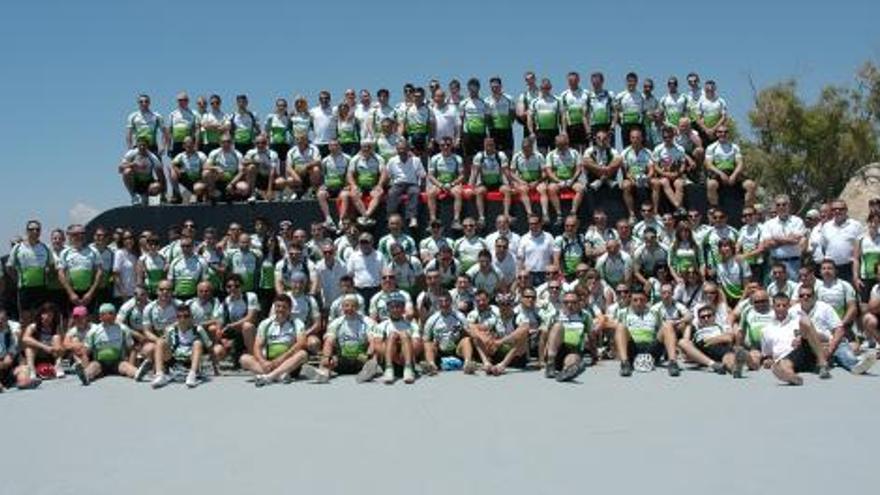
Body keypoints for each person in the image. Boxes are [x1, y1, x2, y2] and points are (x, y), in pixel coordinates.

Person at [793, 285, 876, 375]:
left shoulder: (824, 308)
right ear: (798, 297)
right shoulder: (793, 311)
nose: (805, 297)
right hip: (808, 345)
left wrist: (830, 349)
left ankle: (856, 365)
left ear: (814, 296)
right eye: (802, 295)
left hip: (830, 342)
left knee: (842, 350)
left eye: (808, 295)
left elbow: (839, 330)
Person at [760, 293, 831, 385]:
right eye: (778, 305)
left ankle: (823, 364)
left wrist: (801, 336)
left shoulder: (797, 320)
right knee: (781, 364)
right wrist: (768, 361)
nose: (781, 308)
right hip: (786, 359)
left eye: (784, 305)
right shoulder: (766, 330)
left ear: (789, 306)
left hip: (804, 351)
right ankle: (792, 377)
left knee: (805, 320)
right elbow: (768, 354)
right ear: (773, 307)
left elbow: (824, 337)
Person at [614, 288, 681, 377]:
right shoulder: (623, 313)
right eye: (635, 300)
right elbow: (616, 331)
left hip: (651, 347)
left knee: (667, 325)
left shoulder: (654, 312)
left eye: (642, 300)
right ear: (630, 300)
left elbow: (663, 331)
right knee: (620, 327)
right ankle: (625, 363)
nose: (638, 303)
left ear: (646, 301)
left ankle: (673, 362)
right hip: (633, 347)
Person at [317, 295, 384, 383]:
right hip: (342, 359)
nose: (349, 308)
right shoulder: (336, 323)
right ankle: (324, 373)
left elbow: (372, 342)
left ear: (358, 307)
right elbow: (329, 341)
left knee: (373, 359)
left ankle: (367, 372)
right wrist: (326, 357)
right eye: (346, 305)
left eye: (353, 306)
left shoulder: (367, 322)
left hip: (361, 358)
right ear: (342, 307)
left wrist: (367, 355)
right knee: (329, 359)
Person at [72, 304, 139, 385]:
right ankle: (86, 375)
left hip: (117, 362)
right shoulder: (94, 331)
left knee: (126, 367)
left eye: (112, 313)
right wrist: (86, 367)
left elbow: (132, 349)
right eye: (105, 314)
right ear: (100, 316)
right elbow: (86, 352)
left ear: (115, 315)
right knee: (93, 366)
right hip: (100, 363)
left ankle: (137, 373)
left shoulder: (123, 329)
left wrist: (130, 365)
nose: (109, 316)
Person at [147, 304, 211, 389]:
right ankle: (160, 375)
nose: (183, 319)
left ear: (191, 317)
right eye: (179, 316)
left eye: (186, 316)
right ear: (176, 318)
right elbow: (164, 349)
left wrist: (216, 369)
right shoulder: (170, 330)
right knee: (160, 342)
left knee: (198, 343)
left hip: (190, 360)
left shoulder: (198, 329)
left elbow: (210, 347)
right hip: (174, 361)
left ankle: (192, 375)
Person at [678, 305, 747, 377]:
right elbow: (685, 343)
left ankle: (735, 369)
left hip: (720, 349)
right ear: (699, 319)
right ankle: (713, 364)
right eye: (703, 317)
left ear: (714, 317)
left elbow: (728, 338)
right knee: (682, 342)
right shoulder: (696, 330)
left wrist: (708, 341)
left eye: (709, 316)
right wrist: (689, 324)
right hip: (701, 351)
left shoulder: (721, 327)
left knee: (728, 357)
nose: (706, 318)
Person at [7, 220, 52, 325]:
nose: (35, 231)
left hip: (41, 288)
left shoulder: (45, 248)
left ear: (40, 232)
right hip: (24, 289)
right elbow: (9, 267)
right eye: (31, 229)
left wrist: (47, 276)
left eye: (37, 229)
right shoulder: (18, 248)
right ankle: (25, 341)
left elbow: (51, 266)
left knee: (40, 319)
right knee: (25, 320)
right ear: (27, 231)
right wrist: (17, 279)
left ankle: (38, 341)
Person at [421, 291, 476, 375]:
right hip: (439, 350)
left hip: (456, 349)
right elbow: (425, 339)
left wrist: (468, 332)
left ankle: (467, 364)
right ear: (437, 303)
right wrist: (433, 345)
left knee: (466, 340)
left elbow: (468, 333)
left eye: (446, 301)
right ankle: (432, 366)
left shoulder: (459, 316)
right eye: (441, 302)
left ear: (451, 302)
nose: (444, 304)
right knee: (428, 344)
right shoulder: (432, 320)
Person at [543, 291, 593, 382]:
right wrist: (541, 360)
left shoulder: (585, 316)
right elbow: (544, 335)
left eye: (573, 302)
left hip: (573, 349)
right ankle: (550, 364)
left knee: (573, 358)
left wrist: (595, 357)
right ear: (562, 303)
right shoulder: (555, 315)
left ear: (579, 303)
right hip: (556, 349)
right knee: (558, 326)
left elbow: (591, 336)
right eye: (566, 302)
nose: (570, 305)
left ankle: (567, 371)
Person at [705, 126, 757, 207]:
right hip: (718, 173)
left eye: (725, 132)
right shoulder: (711, 147)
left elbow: (740, 164)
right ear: (716, 134)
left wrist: (734, 175)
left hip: (733, 173)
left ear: (728, 134)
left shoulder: (735, 147)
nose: (723, 134)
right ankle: (715, 208)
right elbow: (709, 165)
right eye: (720, 132)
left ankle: (747, 209)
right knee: (711, 185)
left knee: (751, 185)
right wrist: (721, 174)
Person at [58, 224, 104, 314]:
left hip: (89, 293)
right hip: (72, 293)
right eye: (76, 234)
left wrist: (90, 293)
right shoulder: (65, 252)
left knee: (90, 319)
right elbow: (61, 274)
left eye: (82, 233)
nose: (80, 236)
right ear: (70, 236)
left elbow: (100, 272)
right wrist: (71, 293)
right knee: (72, 320)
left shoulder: (94, 251)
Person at [761, 194, 806, 280]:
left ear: (789, 206)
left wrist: (775, 238)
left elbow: (796, 240)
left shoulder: (797, 221)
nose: (781, 207)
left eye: (784, 204)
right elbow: (767, 244)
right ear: (775, 207)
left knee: (793, 291)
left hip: (794, 263)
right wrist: (789, 239)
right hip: (775, 264)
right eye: (778, 205)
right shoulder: (769, 224)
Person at [375, 294, 419, 384]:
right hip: (390, 359)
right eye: (392, 307)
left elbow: (417, 345)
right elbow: (377, 345)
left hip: (406, 358)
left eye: (398, 306)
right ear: (388, 309)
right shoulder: (381, 325)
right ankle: (389, 369)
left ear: (403, 308)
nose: (395, 310)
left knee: (404, 335)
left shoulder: (412, 325)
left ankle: (408, 369)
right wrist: (393, 356)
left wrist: (403, 355)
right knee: (392, 336)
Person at [819, 199, 863, 285]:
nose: (837, 211)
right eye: (834, 209)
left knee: (850, 295)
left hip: (849, 268)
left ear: (846, 210)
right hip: (831, 269)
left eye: (840, 209)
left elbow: (860, 248)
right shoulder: (826, 227)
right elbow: (824, 248)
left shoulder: (856, 225)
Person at [544, 133, 584, 224]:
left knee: (580, 189)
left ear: (567, 143)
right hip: (557, 180)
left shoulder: (574, 153)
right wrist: (558, 181)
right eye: (559, 145)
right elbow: (549, 171)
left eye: (563, 145)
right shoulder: (551, 154)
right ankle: (559, 214)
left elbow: (579, 169)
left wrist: (572, 180)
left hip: (572, 180)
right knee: (551, 188)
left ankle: (573, 212)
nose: (561, 147)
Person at [426, 136, 466, 229]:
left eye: (448, 145)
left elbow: (462, 175)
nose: (445, 147)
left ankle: (456, 220)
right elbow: (430, 175)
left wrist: (452, 184)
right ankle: (432, 219)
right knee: (431, 192)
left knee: (458, 192)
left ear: (452, 145)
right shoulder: (435, 158)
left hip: (453, 184)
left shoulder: (457, 158)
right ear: (439, 147)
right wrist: (440, 185)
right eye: (442, 145)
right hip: (439, 184)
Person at [384, 141, 425, 228]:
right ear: (397, 150)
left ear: (408, 149)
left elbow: (422, 174)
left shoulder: (416, 160)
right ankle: (390, 218)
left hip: (412, 184)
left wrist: (422, 185)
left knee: (414, 192)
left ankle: (412, 218)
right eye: (399, 149)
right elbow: (387, 175)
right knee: (392, 193)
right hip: (398, 183)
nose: (402, 151)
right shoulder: (392, 161)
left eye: (404, 149)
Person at [470, 137, 509, 226]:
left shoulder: (500, 155)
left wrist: (511, 184)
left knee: (507, 190)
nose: (489, 147)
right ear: (484, 145)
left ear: (494, 145)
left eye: (491, 145)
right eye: (487, 145)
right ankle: (481, 217)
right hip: (485, 183)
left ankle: (506, 214)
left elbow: (506, 171)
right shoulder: (479, 156)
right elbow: (475, 172)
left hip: (498, 183)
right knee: (479, 192)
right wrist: (471, 186)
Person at [346, 140, 386, 227]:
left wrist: (379, 185)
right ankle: (366, 216)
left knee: (379, 193)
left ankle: (365, 216)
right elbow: (349, 174)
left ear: (372, 148)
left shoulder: (379, 159)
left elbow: (383, 173)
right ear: (361, 148)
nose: (366, 149)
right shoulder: (355, 159)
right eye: (364, 147)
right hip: (360, 186)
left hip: (373, 186)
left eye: (368, 147)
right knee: (353, 194)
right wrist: (353, 185)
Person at [651, 126, 692, 210]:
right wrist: (666, 174)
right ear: (662, 137)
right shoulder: (658, 149)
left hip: (676, 174)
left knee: (679, 184)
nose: (667, 139)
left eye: (669, 137)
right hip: (663, 175)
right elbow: (655, 166)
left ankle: (678, 208)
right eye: (665, 137)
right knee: (665, 182)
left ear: (673, 136)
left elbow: (683, 164)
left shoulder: (680, 149)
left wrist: (678, 173)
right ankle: (679, 207)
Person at [507, 137, 548, 220]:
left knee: (543, 189)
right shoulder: (517, 156)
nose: (526, 151)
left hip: (537, 181)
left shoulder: (539, 156)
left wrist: (537, 182)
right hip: (523, 181)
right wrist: (520, 181)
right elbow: (511, 172)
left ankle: (545, 214)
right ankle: (529, 213)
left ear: (531, 147)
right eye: (524, 148)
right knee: (523, 190)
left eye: (527, 148)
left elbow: (545, 173)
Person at [21, 303, 64, 380]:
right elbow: (25, 338)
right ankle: (32, 370)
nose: (47, 317)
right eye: (44, 314)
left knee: (56, 337)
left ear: (53, 316)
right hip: (38, 354)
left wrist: (53, 348)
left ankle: (58, 366)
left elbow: (61, 345)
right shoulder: (33, 326)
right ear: (40, 315)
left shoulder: (56, 327)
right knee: (29, 346)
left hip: (52, 354)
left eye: (50, 315)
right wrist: (44, 347)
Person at [619, 128, 655, 220]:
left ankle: (655, 212)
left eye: (638, 138)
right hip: (632, 178)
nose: (635, 140)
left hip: (645, 177)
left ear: (642, 138)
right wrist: (632, 180)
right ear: (630, 139)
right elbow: (625, 172)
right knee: (625, 185)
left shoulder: (648, 152)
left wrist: (647, 178)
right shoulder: (625, 153)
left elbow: (651, 169)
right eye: (633, 138)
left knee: (657, 183)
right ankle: (631, 214)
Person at [316, 139, 352, 230]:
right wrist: (322, 185)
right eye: (331, 145)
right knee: (320, 194)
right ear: (328, 147)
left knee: (345, 195)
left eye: (336, 145)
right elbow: (323, 174)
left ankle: (341, 220)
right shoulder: (325, 160)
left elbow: (351, 174)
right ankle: (328, 219)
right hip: (329, 187)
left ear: (340, 146)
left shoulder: (347, 158)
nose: (333, 147)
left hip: (342, 187)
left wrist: (348, 185)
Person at [119, 138, 165, 204]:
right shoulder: (131, 154)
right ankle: (133, 196)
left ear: (147, 146)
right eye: (140, 145)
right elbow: (120, 169)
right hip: (136, 182)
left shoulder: (153, 157)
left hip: (147, 182)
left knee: (156, 187)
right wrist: (132, 164)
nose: (142, 147)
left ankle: (146, 196)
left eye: (144, 145)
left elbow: (161, 176)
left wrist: (162, 193)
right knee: (127, 172)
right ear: (137, 145)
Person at [0, 310, 37, 391]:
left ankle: (24, 382)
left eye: (2, 320)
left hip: (7, 372)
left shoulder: (11, 336)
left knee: (24, 370)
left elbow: (8, 360)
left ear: (6, 320)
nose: (0, 323)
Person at [242, 135, 284, 202]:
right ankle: (252, 193)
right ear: (255, 143)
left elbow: (272, 172)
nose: (260, 145)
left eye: (263, 143)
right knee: (251, 167)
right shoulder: (251, 152)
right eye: (258, 143)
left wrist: (269, 190)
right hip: (257, 178)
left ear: (267, 143)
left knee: (281, 181)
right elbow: (244, 162)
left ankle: (274, 195)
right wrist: (255, 162)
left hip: (269, 177)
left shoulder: (273, 154)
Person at [459, 78, 490, 171]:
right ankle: (468, 181)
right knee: (467, 158)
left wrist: (488, 135)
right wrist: (460, 136)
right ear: (468, 88)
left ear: (478, 88)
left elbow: (487, 120)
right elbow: (461, 120)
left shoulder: (485, 103)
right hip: (467, 134)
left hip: (481, 134)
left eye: (475, 87)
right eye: (471, 87)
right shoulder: (463, 103)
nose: (473, 89)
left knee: (482, 158)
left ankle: (481, 180)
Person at [517, 214, 555, 286]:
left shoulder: (549, 237)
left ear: (541, 223)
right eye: (531, 224)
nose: (533, 226)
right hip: (529, 274)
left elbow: (553, 256)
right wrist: (519, 274)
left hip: (545, 274)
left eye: (535, 223)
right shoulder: (524, 238)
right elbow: (520, 259)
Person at [204, 134, 244, 201]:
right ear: (219, 143)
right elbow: (205, 166)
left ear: (231, 143)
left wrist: (231, 184)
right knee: (206, 173)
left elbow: (241, 172)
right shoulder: (214, 153)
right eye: (223, 142)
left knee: (244, 188)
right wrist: (216, 168)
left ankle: (234, 196)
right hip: (218, 178)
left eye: (228, 142)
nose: (226, 144)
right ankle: (212, 194)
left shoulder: (237, 154)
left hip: (232, 179)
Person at [346, 232, 384, 302]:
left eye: (366, 242)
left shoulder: (379, 256)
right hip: (359, 291)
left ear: (372, 242)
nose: (364, 245)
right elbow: (349, 275)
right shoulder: (353, 256)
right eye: (362, 242)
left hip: (376, 290)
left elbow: (383, 274)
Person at [527, 78, 561, 154]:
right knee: (542, 155)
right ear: (540, 88)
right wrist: (531, 132)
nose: (545, 90)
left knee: (555, 154)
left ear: (550, 88)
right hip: (541, 132)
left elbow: (563, 116)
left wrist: (564, 130)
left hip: (554, 131)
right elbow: (529, 118)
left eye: (547, 88)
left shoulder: (557, 100)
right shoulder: (535, 101)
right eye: (543, 88)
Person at [169, 136, 208, 203]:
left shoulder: (201, 155)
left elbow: (206, 167)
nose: (188, 145)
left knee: (198, 187)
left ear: (194, 144)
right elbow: (173, 164)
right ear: (183, 145)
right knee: (172, 173)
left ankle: (202, 195)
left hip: (198, 180)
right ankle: (177, 195)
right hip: (186, 180)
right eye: (185, 143)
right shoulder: (180, 155)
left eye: (190, 143)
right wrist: (177, 170)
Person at [485, 76, 515, 158]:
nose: (494, 89)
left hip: (507, 131)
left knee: (508, 155)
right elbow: (487, 118)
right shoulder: (487, 101)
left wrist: (507, 124)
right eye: (492, 87)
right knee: (495, 156)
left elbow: (512, 115)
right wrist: (491, 129)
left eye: (496, 87)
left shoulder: (509, 98)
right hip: (494, 132)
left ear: (501, 86)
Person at [853, 211, 880, 302]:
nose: (873, 224)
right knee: (865, 305)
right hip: (865, 278)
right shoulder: (860, 239)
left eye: (876, 222)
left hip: (879, 277)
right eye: (871, 222)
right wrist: (856, 278)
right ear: (867, 222)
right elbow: (856, 259)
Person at [560, 71, 590, 152]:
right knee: (573, 151)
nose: (572, 82)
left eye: (575, 80)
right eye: (570, 80)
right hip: (571, 127)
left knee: (586, 151)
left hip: (584, 126)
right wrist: (564, 130)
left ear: (578, 80)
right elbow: (563, 114)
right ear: (567, 81)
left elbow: (590, 111)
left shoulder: (586, 93)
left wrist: (589, 128)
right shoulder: (564, 95)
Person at [614, 72, 646, 148]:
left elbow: (644, 112)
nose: (631, 83)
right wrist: (621, 124)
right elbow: (616, 112)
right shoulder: (620, 96)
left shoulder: (641, 96)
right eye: (629, 81)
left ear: (636, 82)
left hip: (638, 126)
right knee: (627, 149)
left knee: (639, 148)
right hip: (625, 126)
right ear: (626, 82)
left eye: (633, 81)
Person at [586, 72, 615, 146]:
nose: (595, 85)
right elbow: (584, 115)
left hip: (607, 126)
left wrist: (612, 126)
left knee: (610, 149)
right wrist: (588, 130)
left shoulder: (610, 94)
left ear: (602, 82)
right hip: (594, 127)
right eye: (593, 83)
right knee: (596, 151)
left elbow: (615, 112)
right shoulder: (588, 96)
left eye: (597, 82)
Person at [264, 98, 292, 166]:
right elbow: (266, 131)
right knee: (273, 165)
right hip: (273, 145)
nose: (281, 107)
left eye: (283, 106)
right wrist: (267, 145)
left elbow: (291, 132)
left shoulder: (288, 119)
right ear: (276, 107)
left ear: (286, 107)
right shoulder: (270, 117)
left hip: (285, 145)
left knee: (283, 164)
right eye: (279, 105)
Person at [515, 71, 540, 141]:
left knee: (542, 149)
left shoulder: (541, 93)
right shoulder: (523, 95)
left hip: (542, 123)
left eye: (531, 78)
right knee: (527, 146)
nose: (529, 81)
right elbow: (520, 114)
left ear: (535, 79)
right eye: (527, 79)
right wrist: (529, 112)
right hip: (529, 123)